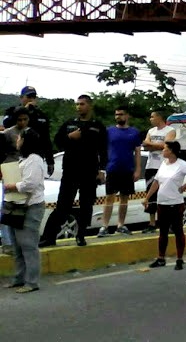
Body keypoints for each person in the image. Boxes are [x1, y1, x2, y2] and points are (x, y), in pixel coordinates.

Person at [40, 95, 107, 247]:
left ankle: (81, 235)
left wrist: (102, 170)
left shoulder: (98, 126)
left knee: (86, 205)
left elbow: (103, 150)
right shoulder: (69, 124)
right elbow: (57, 141)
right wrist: (70, 136)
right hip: (70, 171)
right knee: (63, 205)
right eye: (77, 104)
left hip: (89, 171)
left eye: (82, 104)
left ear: (89, 106)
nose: (78, 107)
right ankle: (49, 237)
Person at [144, 141, 186, 271]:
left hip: (175, 203)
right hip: (162, 203)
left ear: (171, 151)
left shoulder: (181, 165)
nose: (163, 151)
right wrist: (147, 198)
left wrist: (184, 187)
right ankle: (160, 258)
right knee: (162, 232)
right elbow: (156, 182)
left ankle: (180, 259)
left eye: (165, 149)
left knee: (178, 231)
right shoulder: (164, 164)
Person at [2, 128, 46, 293]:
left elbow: (30, 184)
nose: (17, 140)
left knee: (28, 245)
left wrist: (12, 185)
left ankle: (32, 282)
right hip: (17, 206)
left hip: (30, 207)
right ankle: (19, 278)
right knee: (18, 246)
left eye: (19, 138)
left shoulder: (34, 159)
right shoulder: (24, 159)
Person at [97, 106, 141, 237]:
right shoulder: (109, 131)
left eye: (121, 114)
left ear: (127, 116)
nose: (118, 117)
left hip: (127, 169)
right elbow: (102, 151)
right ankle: (104, 226)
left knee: (124, 198)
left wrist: (138, 169)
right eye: (116, 114)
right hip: (112, 168)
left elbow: (138, 152)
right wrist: (101, 169)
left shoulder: (134, 132)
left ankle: (120, 225)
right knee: (109, 197)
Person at [3, 86, 55, 176]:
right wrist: (24, 110)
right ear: (21, 98)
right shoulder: (12, 111)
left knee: (30, 187)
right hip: (13, 158)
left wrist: (50, 161)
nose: (31, 99)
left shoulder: (41, 116)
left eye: (33, 97)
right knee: (12, 188)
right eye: (29, 97)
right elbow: (6, 124)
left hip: (33, 159)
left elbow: (46, 140)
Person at [1, 107, 30, 255]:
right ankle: (7, 243)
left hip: (26, 171)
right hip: (10, 170)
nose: (23, 122)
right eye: (20, 120)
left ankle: (20, 242)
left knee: (23, 208)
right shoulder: (7, 134)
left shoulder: (31, 132)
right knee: (8, 207)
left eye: (25, 119)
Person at [141, 110, 176, 233]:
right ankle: (152, 223)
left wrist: (151, 144)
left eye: (152, 117)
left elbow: (166, 146)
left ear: (159, 117)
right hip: (151, 166)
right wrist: (155, 145)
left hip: (164, 166)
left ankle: (168, 223)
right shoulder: (151, 131)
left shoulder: (170, 130)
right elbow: (145, 146)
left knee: (166, 195)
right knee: (151, 194)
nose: (150, 119)